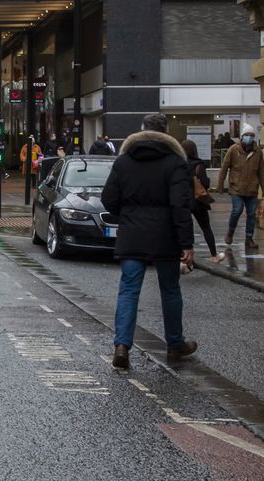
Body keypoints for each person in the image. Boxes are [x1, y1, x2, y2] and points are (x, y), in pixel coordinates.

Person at [101, 112, 197, 371]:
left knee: (129, 290)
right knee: (170, 289)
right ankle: (175, 343)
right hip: (166, 237)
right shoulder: (175, 163)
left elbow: (108, 199)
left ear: (141, 131)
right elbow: (181, 206)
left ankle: (122, 346)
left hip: (132, 234)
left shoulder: (123, 162)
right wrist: (186, 244)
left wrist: (129, 216)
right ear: (165, 132)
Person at [216, 123, 264, 251]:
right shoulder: (233, 150)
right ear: (242, 136)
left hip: (252, 189)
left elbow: (262, 172)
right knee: (237, 210)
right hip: (236, 188)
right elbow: (224, 168)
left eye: (251, 135)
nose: (249, 138)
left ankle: (249, 238)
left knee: (251, 214)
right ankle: (230, 231)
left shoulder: (258, 152)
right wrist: (220, 185)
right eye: (247, 135)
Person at [182, 139, 224, 263]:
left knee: (184, 229)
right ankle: (214, 255)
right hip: (198, 201)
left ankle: (183, 257)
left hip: (183, 200)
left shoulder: (179, 164)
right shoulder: (199, 165)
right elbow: (204, 183)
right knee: (206, 227)